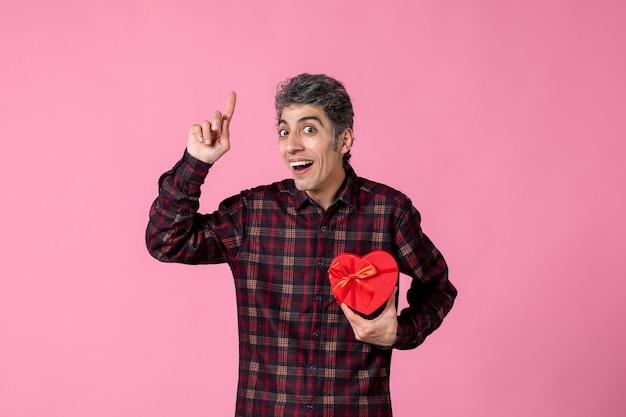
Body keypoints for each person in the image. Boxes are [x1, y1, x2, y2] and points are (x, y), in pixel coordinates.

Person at [146, 73, 457, 417]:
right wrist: (197, 162)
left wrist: (400, 332)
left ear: (343, 140)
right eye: (284, 131)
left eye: (308, 130)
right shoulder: (254, 213)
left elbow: (438, 286)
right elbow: (166, 241)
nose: (292, 144)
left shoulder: (389, 212)